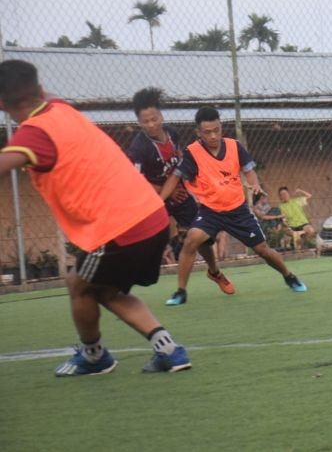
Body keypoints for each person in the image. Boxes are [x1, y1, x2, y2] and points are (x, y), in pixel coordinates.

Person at [0, 59, 191, 375]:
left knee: (79, 285)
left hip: (117, 227)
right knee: (106, 290)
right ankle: (169, 350)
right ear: (41, 88)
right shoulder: (59, 108)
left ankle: (94, 357)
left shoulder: (33, 136)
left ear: (3, 104)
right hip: (152, 216)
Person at [159, 105, 307, 304]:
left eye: (216, 130)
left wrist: (254, 184)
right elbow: (175, 177)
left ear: (221, 127)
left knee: (263, 250)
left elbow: (249, 171)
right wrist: (159, 200)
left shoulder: (234, 146)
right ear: (198, 132)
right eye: (207, 132)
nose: (213, 136)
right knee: (191, 239)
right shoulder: (193, 153)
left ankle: (289, 276)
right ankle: (181, 292)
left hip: (238, 210)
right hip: (210, 211)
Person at [127, 87, 221, 299]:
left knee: (202, 236)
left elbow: (179, 163)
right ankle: (136, 279)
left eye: (154, 118)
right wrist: (164, 193)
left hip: (178, 192)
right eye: (145, 121)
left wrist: (179, 186)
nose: (151, 124)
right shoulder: (138, 148)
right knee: (148, 238)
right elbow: (135, 181)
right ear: (139, 122)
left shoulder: (173, 133)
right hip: (155, 197)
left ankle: (214, 271)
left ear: (161, 116)